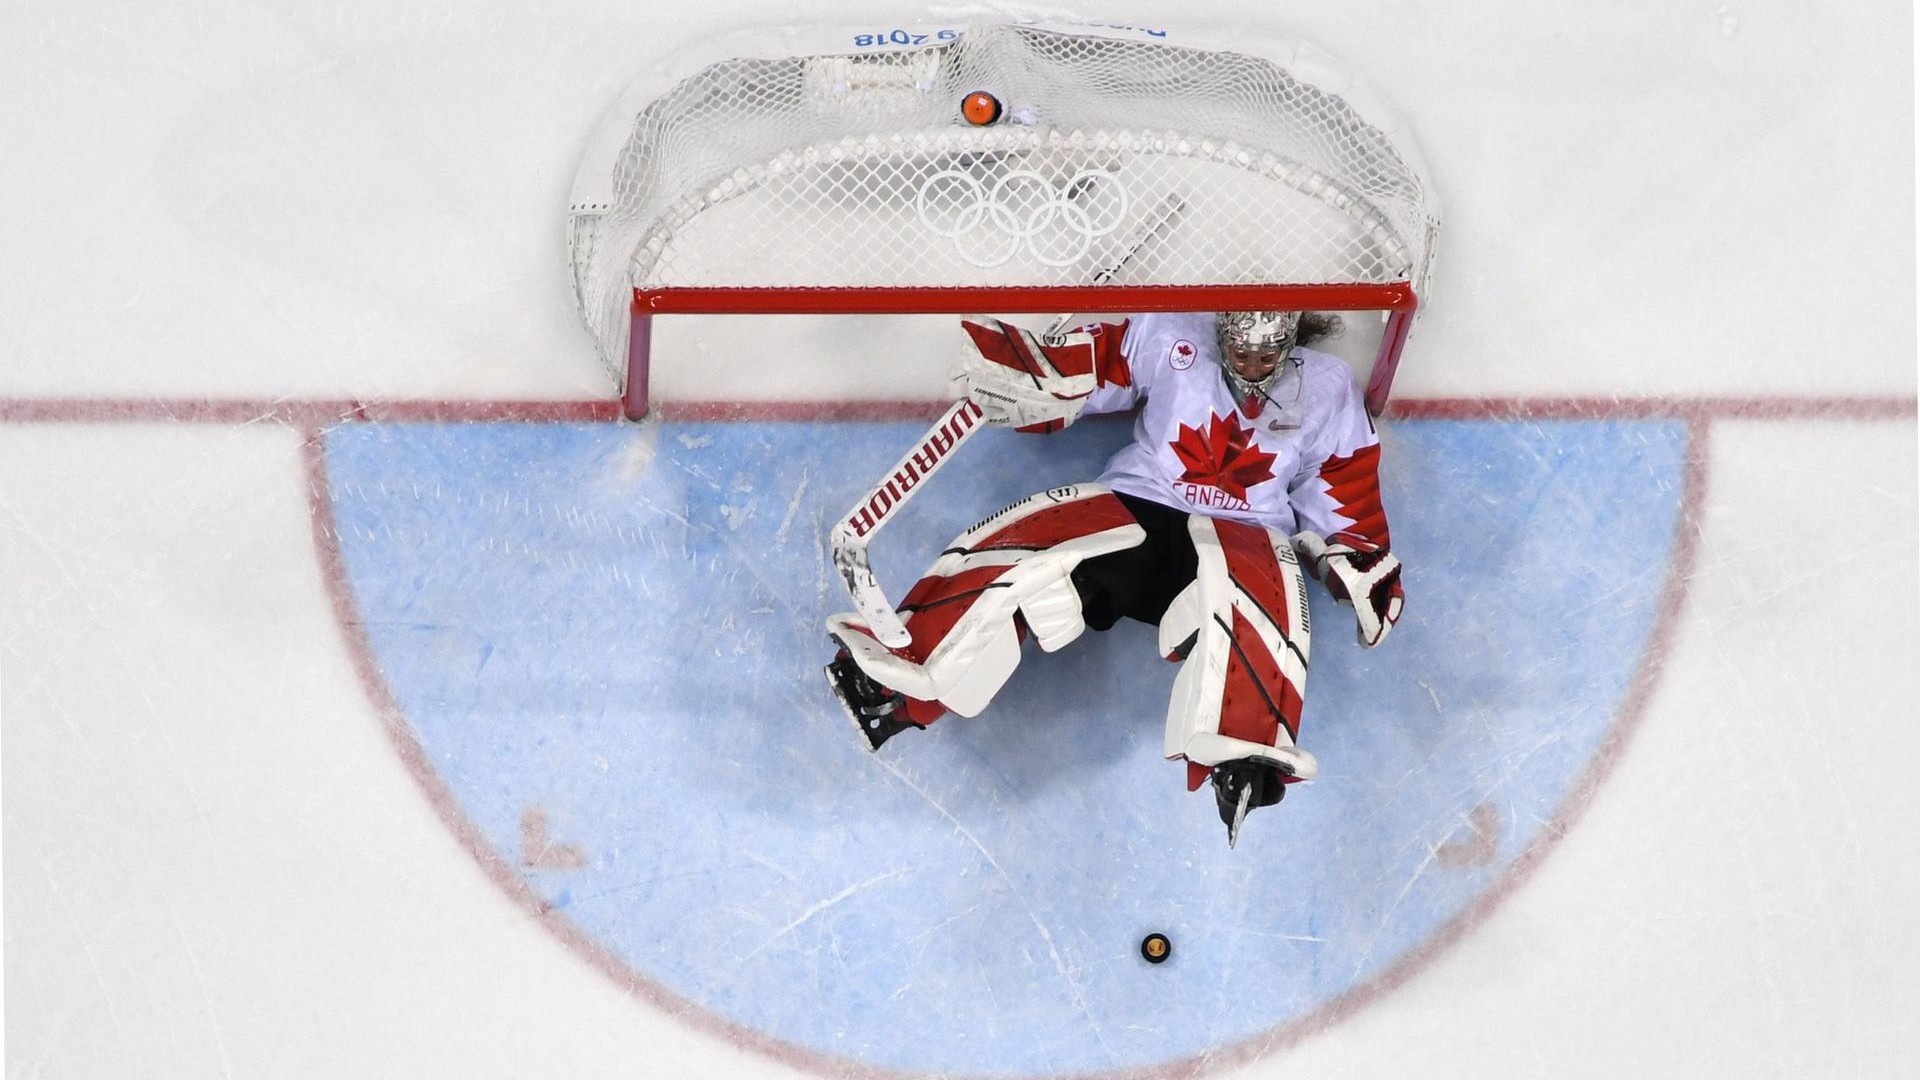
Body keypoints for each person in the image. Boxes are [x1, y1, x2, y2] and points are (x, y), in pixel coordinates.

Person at [824, 310, 1405, 844]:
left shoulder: (1327, 386)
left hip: (1242, 534)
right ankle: (900, 686)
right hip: (1138, 509)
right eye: (1240, 352)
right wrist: (1031, 374)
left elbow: (1345, 481)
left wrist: (1356, 560)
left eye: (1266, 355)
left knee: (1263, 591)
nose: (1252, 367)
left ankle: (1244, 758)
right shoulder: (1173, 336)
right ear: (1221, 334)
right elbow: (1101, 363)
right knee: (1037, 542)